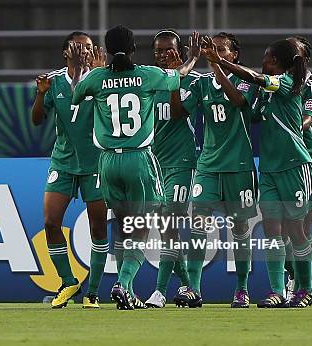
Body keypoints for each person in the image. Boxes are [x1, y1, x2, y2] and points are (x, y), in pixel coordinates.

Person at [70, 25, 200, 310]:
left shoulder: (97, 77)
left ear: (105, 49)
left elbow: (75, 94)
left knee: (124, 227)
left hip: (107, 162)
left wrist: (81, 68)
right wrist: (191, 57)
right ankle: (124, 284)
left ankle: (136, 287)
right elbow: (179, 76)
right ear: (134, 49)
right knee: (142, 229)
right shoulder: (146, 74)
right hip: (138, 158)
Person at [203, 38, 312, 308]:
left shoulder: (286, 83)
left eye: (265, 58)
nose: (262, 63)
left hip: (295, 166)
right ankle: (278, 291)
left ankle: (306, 289)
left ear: (274, 62)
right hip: (269, 169)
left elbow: (254, 77)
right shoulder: (265, 92)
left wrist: (220, 62)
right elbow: (247, 110)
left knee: (296, 231)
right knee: (273, 231)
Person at [170, 33, 259, 308]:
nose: (216, 53)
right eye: (213, 50)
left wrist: (217, 64)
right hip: (208, 165)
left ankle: (242, 288)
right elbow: (177, 112)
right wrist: (175, 80)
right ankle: (193, 289)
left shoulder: (246, 80)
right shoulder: (202, 84)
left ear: (234, 56)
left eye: (222, 50)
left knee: (240, 228)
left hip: (239, 166)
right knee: (198, 225)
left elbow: (237, 102)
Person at [31, 31, 108, 309]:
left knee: (98, 227)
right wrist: (40, 95)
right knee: (51, 222)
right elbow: (37, 120)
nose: (84, 51)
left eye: (88, 47)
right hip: (63, 162)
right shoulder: (52, 81)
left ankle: (94, 292)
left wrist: (101, 78)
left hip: (96, 162)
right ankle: (68, 281)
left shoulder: (102, 77)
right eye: (78, 47)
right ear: (66, 52)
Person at [144, 29, 200, 309]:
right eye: (158, 51)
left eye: (169, 50)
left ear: (180, 51)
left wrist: (177, 77)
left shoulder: (192, 80)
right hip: (155, 163)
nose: (163, 55)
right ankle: (190, 286)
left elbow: (178, 113)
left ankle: (160, 292)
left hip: (181, 161)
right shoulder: (148, 81)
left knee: (168, 224)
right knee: (167, 231)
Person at [280, 36, 312, 307]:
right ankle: (292, 278)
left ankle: (304, 288)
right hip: (282, 163)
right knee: (281, 230)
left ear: (303, 58)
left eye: (293, 53)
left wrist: (291, 124)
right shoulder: (279, 82)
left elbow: (309, 118)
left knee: (299, 229)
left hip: (309, 161)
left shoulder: (311, 87)